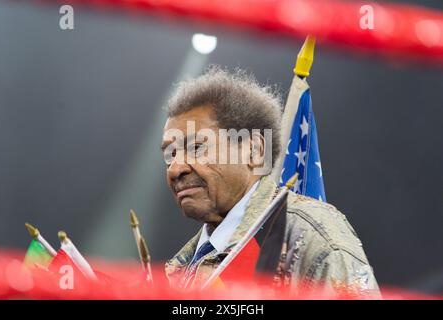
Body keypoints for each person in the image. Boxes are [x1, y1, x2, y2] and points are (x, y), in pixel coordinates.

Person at [160, 67, 380, 297]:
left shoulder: (311, 236)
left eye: (196, 147)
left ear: (254, 150)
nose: (175, 169)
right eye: (170, 154)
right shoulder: (181, 267)